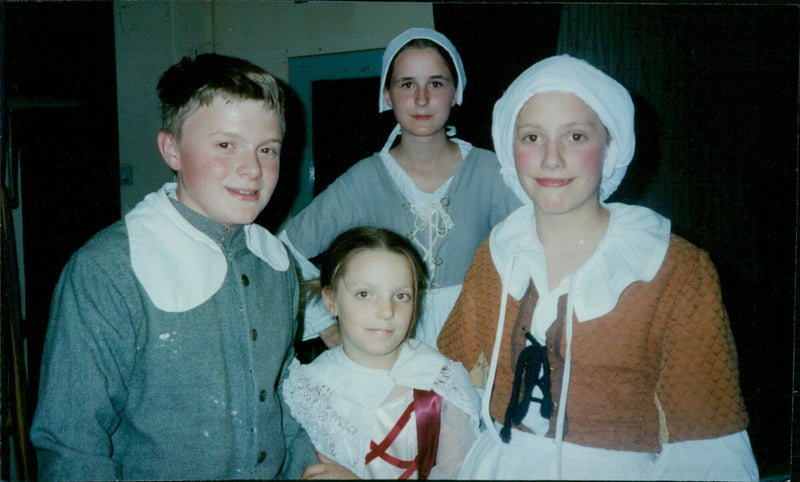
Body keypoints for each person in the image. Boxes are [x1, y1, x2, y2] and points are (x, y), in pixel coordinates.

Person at [437, 54, 759, 480]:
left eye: (575, 136)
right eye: (532, 137)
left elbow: (707, 448)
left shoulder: (675, 270)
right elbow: (454, 387)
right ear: (509, 148)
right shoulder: (496, 254)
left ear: (610, 146)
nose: (552, 158)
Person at [29, 53, 317, 480]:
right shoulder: (107, 270)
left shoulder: (276, 263)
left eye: (267, 149)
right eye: (225, 145)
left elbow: (283, 395)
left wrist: (310, 469)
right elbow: (72, 446)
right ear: (172, 149)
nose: (252, 169)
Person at [278, 27, 521, 349]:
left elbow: (542, 249)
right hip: (387, 345)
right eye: (407, 84)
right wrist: (327, 327)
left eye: (436, 83)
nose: (422, 99)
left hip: (476, 342)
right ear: (387, 94)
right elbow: (285, 251)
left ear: (456, 92)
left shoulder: (491, 171)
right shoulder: (364, 180)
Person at [282, 226, 480, 479]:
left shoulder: (439, 382)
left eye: (401, 295)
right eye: (364, 294)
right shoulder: (305, 389)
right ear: (331, 300)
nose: (386, 311)